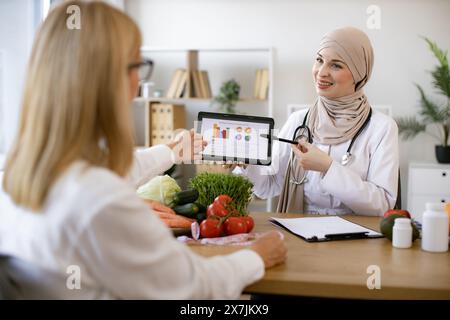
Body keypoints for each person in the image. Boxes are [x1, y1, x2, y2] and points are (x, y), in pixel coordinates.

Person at [0, 1, 286, 299]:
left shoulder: (17, 183)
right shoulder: (101, 203)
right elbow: (190, 287)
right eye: (137, 66)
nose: (139, 82)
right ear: (107, 80)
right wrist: (257, 257)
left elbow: (108, 172)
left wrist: (171, 152)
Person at [236, 27, 399, 216]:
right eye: (319, 60)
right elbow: (268, 187)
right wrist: (248, 163)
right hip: (300, 233)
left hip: (356, 237)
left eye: (336, 65)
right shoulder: (299, 120)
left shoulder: (382, 128)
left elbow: (383, 205)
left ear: (359, 73)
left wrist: (328, 168)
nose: (321, 72)